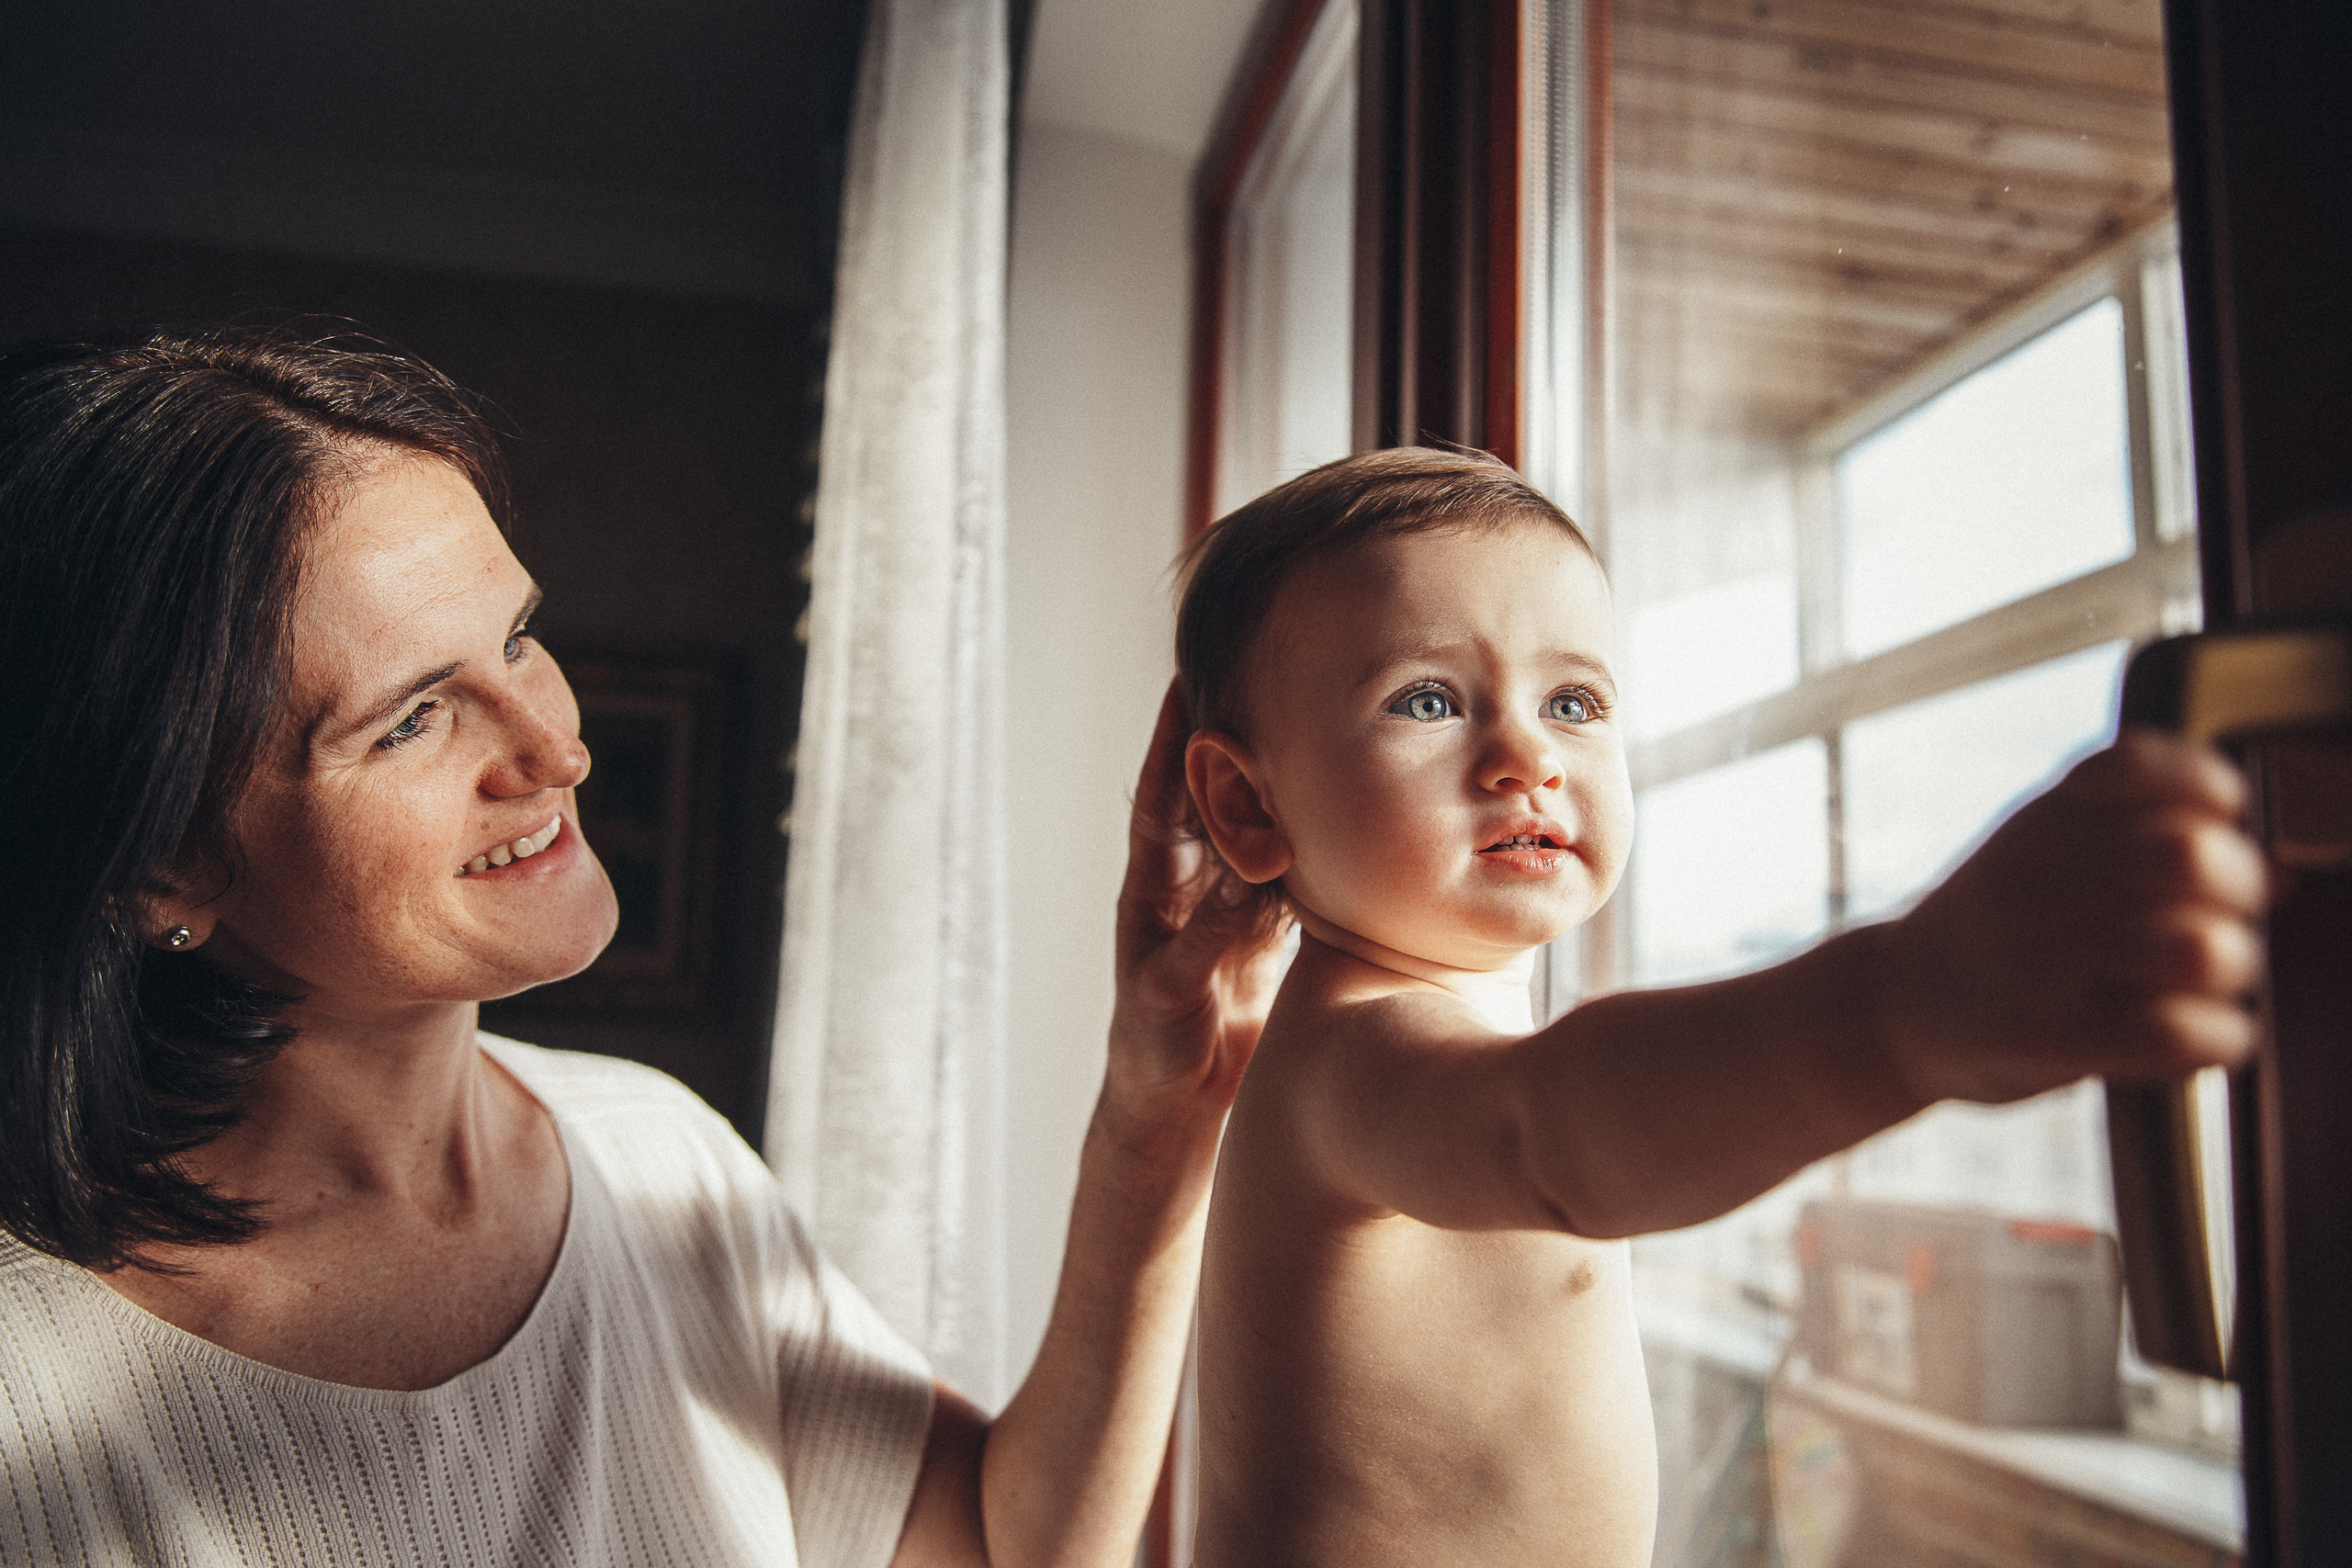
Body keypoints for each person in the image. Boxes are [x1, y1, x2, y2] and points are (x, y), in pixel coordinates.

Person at [0, 327, 1286, 1567]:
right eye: (413, 719)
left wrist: (1153, 1115)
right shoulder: (27, 1382)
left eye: (514, 639)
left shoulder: (660, 1159)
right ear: (160, 861)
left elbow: (1000, 1546)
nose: (556, 749)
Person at [1176, 448, 2271, 1567]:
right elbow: (1550, 1132)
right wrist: (1902, 1008)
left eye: (1573, 701)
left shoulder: (1401, 1033)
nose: (1528, 757)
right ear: (1248, 804)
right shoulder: (1350, 1059)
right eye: (1427, 700)